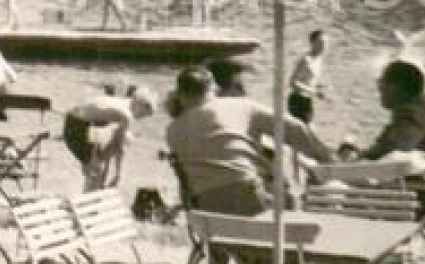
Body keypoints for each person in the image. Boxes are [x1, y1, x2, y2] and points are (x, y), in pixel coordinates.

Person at [166, 66, 330, 216]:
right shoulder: (241, 107)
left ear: (181, 95)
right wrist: (325, 156)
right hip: (249, 199)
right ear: (213, 88)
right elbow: (295, 129)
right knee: (292, 199)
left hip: (208, 209)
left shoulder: (172, 131)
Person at [62, 83, 156, 191]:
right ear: (140, 105)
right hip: (77, 127)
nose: (140, 118)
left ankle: (91, 194)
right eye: (143, 115)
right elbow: (120, 148)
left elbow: (113, 140)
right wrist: (118, 175)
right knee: (95, 174)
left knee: (96, 170)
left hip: (75, 121)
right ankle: (88, 201)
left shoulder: (120, 102)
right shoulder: (126, 115)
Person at [363, 60, 425, 161]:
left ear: (396, 86)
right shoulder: (424, 105)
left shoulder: (412, 114)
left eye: (382, 83)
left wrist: (364, 156)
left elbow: (398, 150)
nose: (380, 89)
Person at [288, 30, 329, 123]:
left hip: (307, 100)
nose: (324, 47)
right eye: (321, 43)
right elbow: (292, 83)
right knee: (302, 133)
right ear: (312, 43)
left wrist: (320, 86)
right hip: (297, 100)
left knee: (307, 131)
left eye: (326, 43)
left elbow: (308, 80)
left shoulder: (319, 59)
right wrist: (314, 92)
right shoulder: (306, 60)